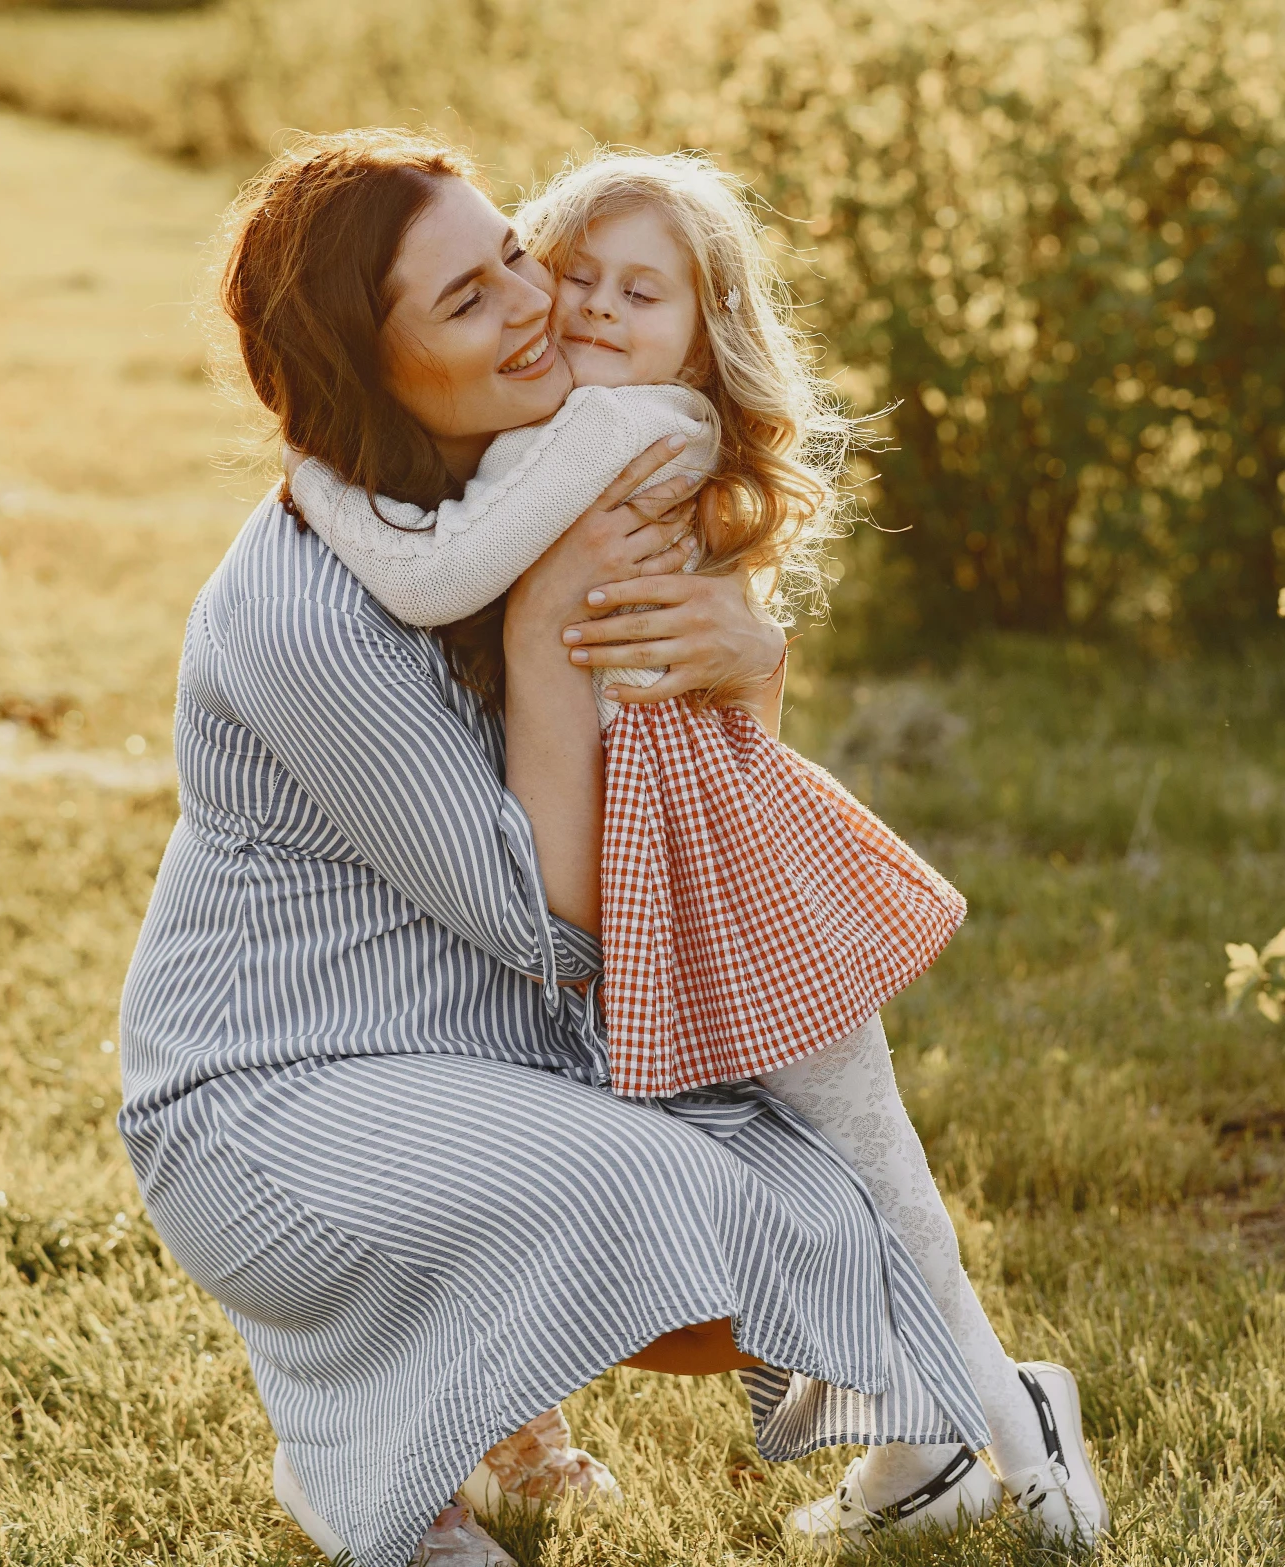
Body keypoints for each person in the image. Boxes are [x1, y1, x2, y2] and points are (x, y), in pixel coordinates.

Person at [117, 130, 996, 1567]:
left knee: (813, 1203)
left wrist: (748, 666)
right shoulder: (305, 606)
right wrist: (542, 632)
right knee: (674, 1201)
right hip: (264, 1105)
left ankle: (489, 1409)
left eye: (509, 254)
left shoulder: (509, 494)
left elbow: (679, 815)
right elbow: (558, 920)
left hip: (470, 1060)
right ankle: (369, 1475)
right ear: (366, 368)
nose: (533, 305)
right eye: (466, 302)